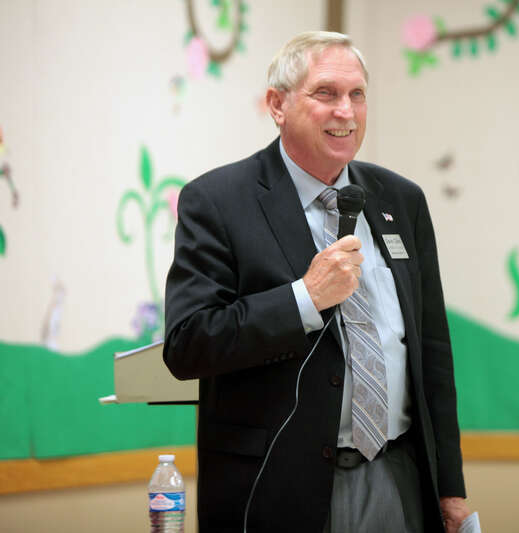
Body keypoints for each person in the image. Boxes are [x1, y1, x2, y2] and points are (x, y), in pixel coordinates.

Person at [163, 31, 471, 532]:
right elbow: (187, 344)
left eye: (357, 95)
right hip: (280, 488)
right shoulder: (217, 202)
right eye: (326, 93)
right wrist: (304, 299)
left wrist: (450, 485)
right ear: (277, 105)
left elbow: (432, 350)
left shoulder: (401, 200)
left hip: (399, 473)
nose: (345, 111)